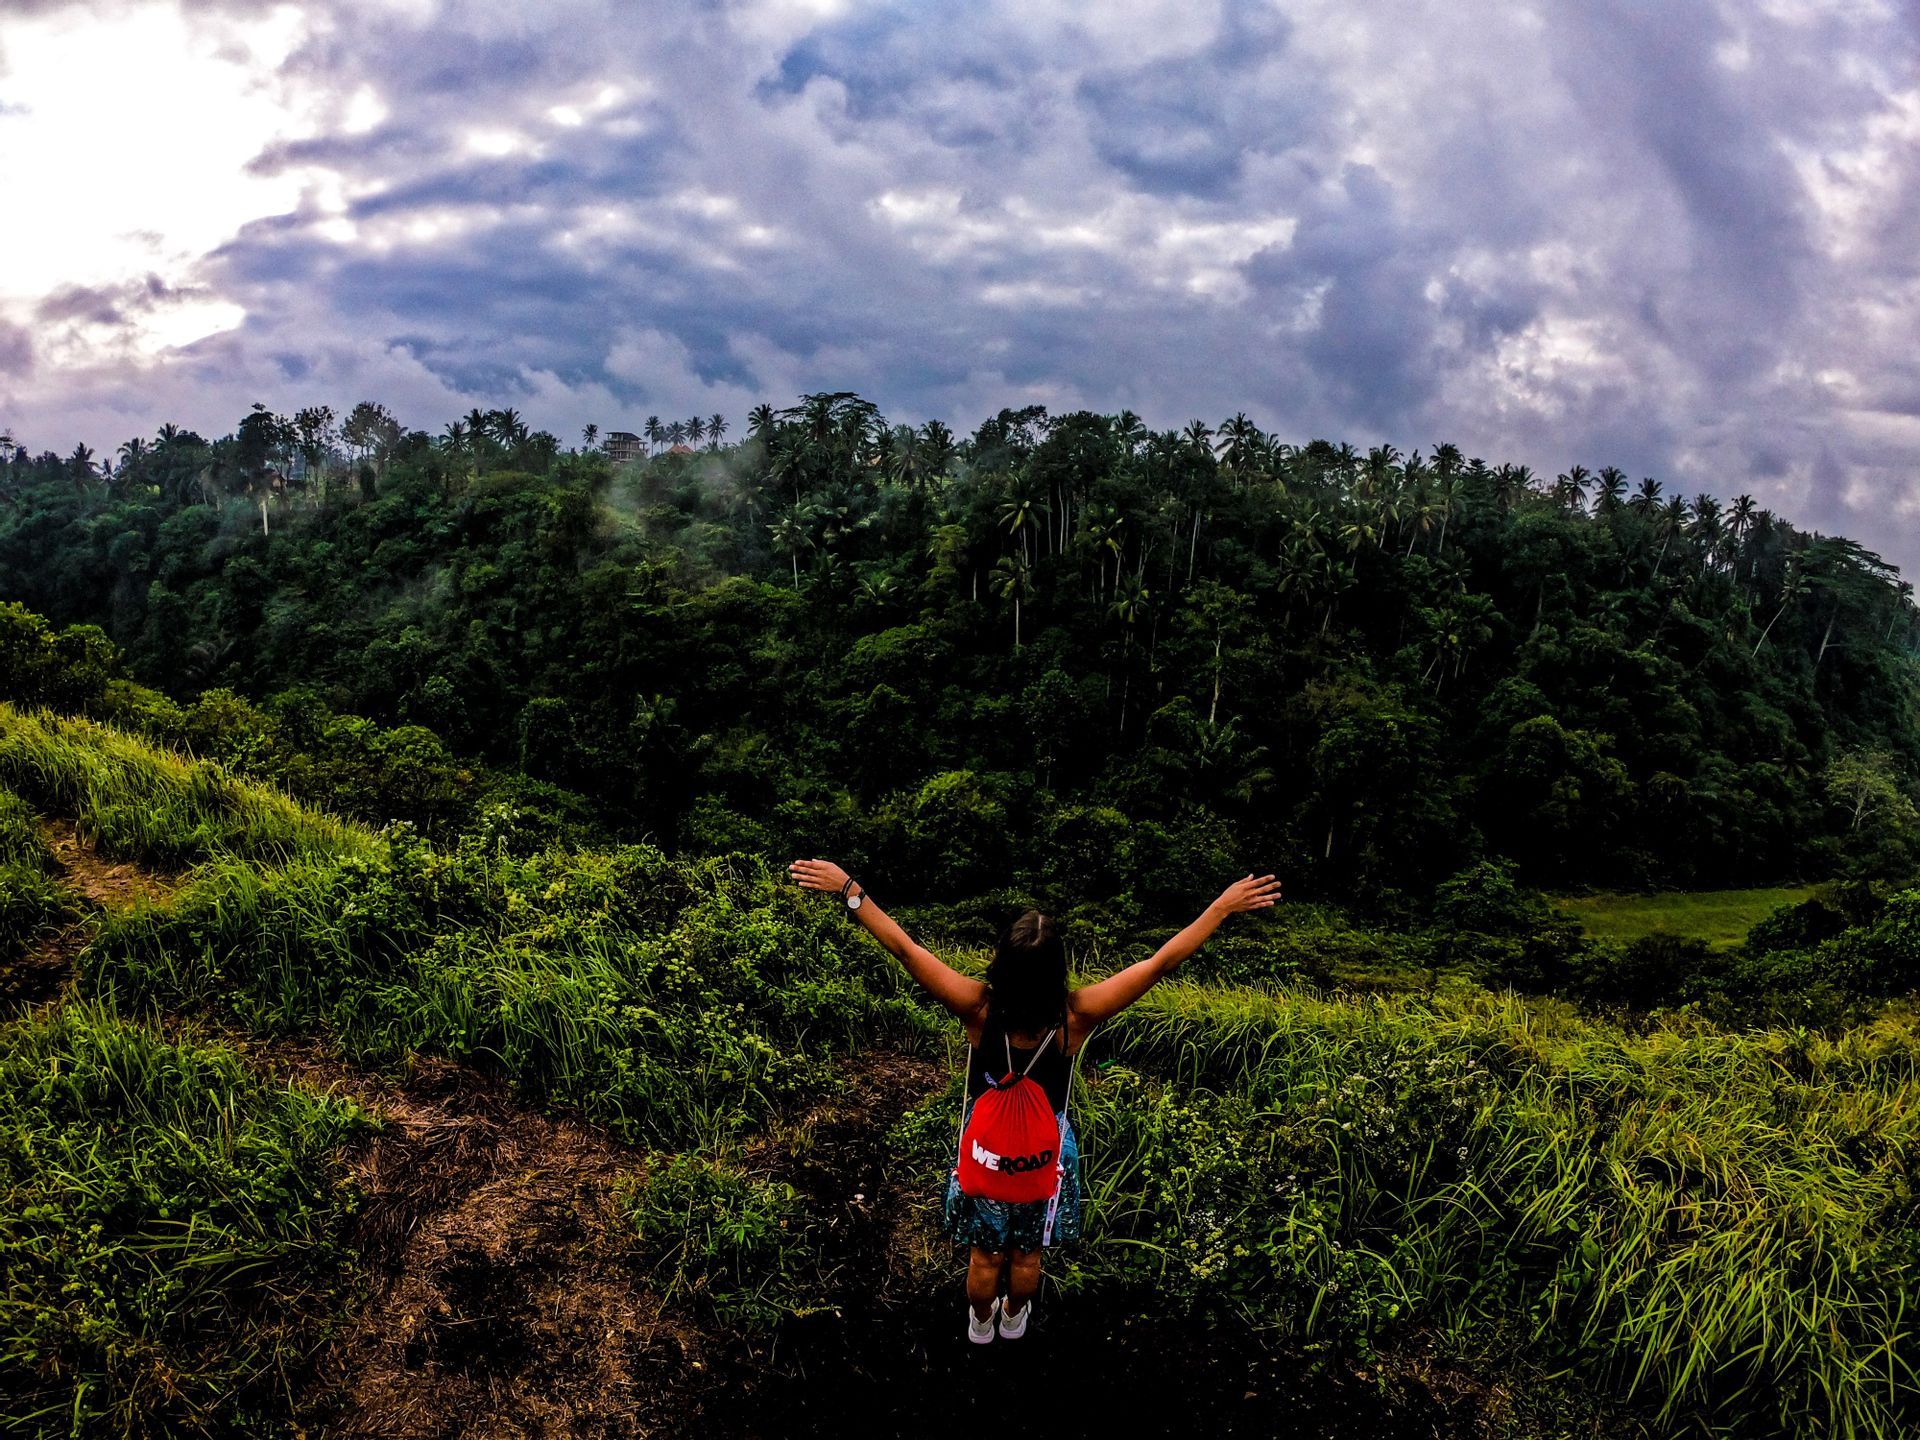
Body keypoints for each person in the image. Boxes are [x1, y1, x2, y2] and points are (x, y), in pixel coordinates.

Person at [788, 859, 1282, 1344]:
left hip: (986, 1150)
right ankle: (1014, 1315)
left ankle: (980, 1323)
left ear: (1000, 961)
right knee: (1027, 1257)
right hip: (1044, 1155)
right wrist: (1219, 908)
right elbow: (1160, 963)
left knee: (985, 1256)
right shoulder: (1078, 1015)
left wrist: (849, 888)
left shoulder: (975, 1006)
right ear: (1058, 971)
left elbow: (904, 947)